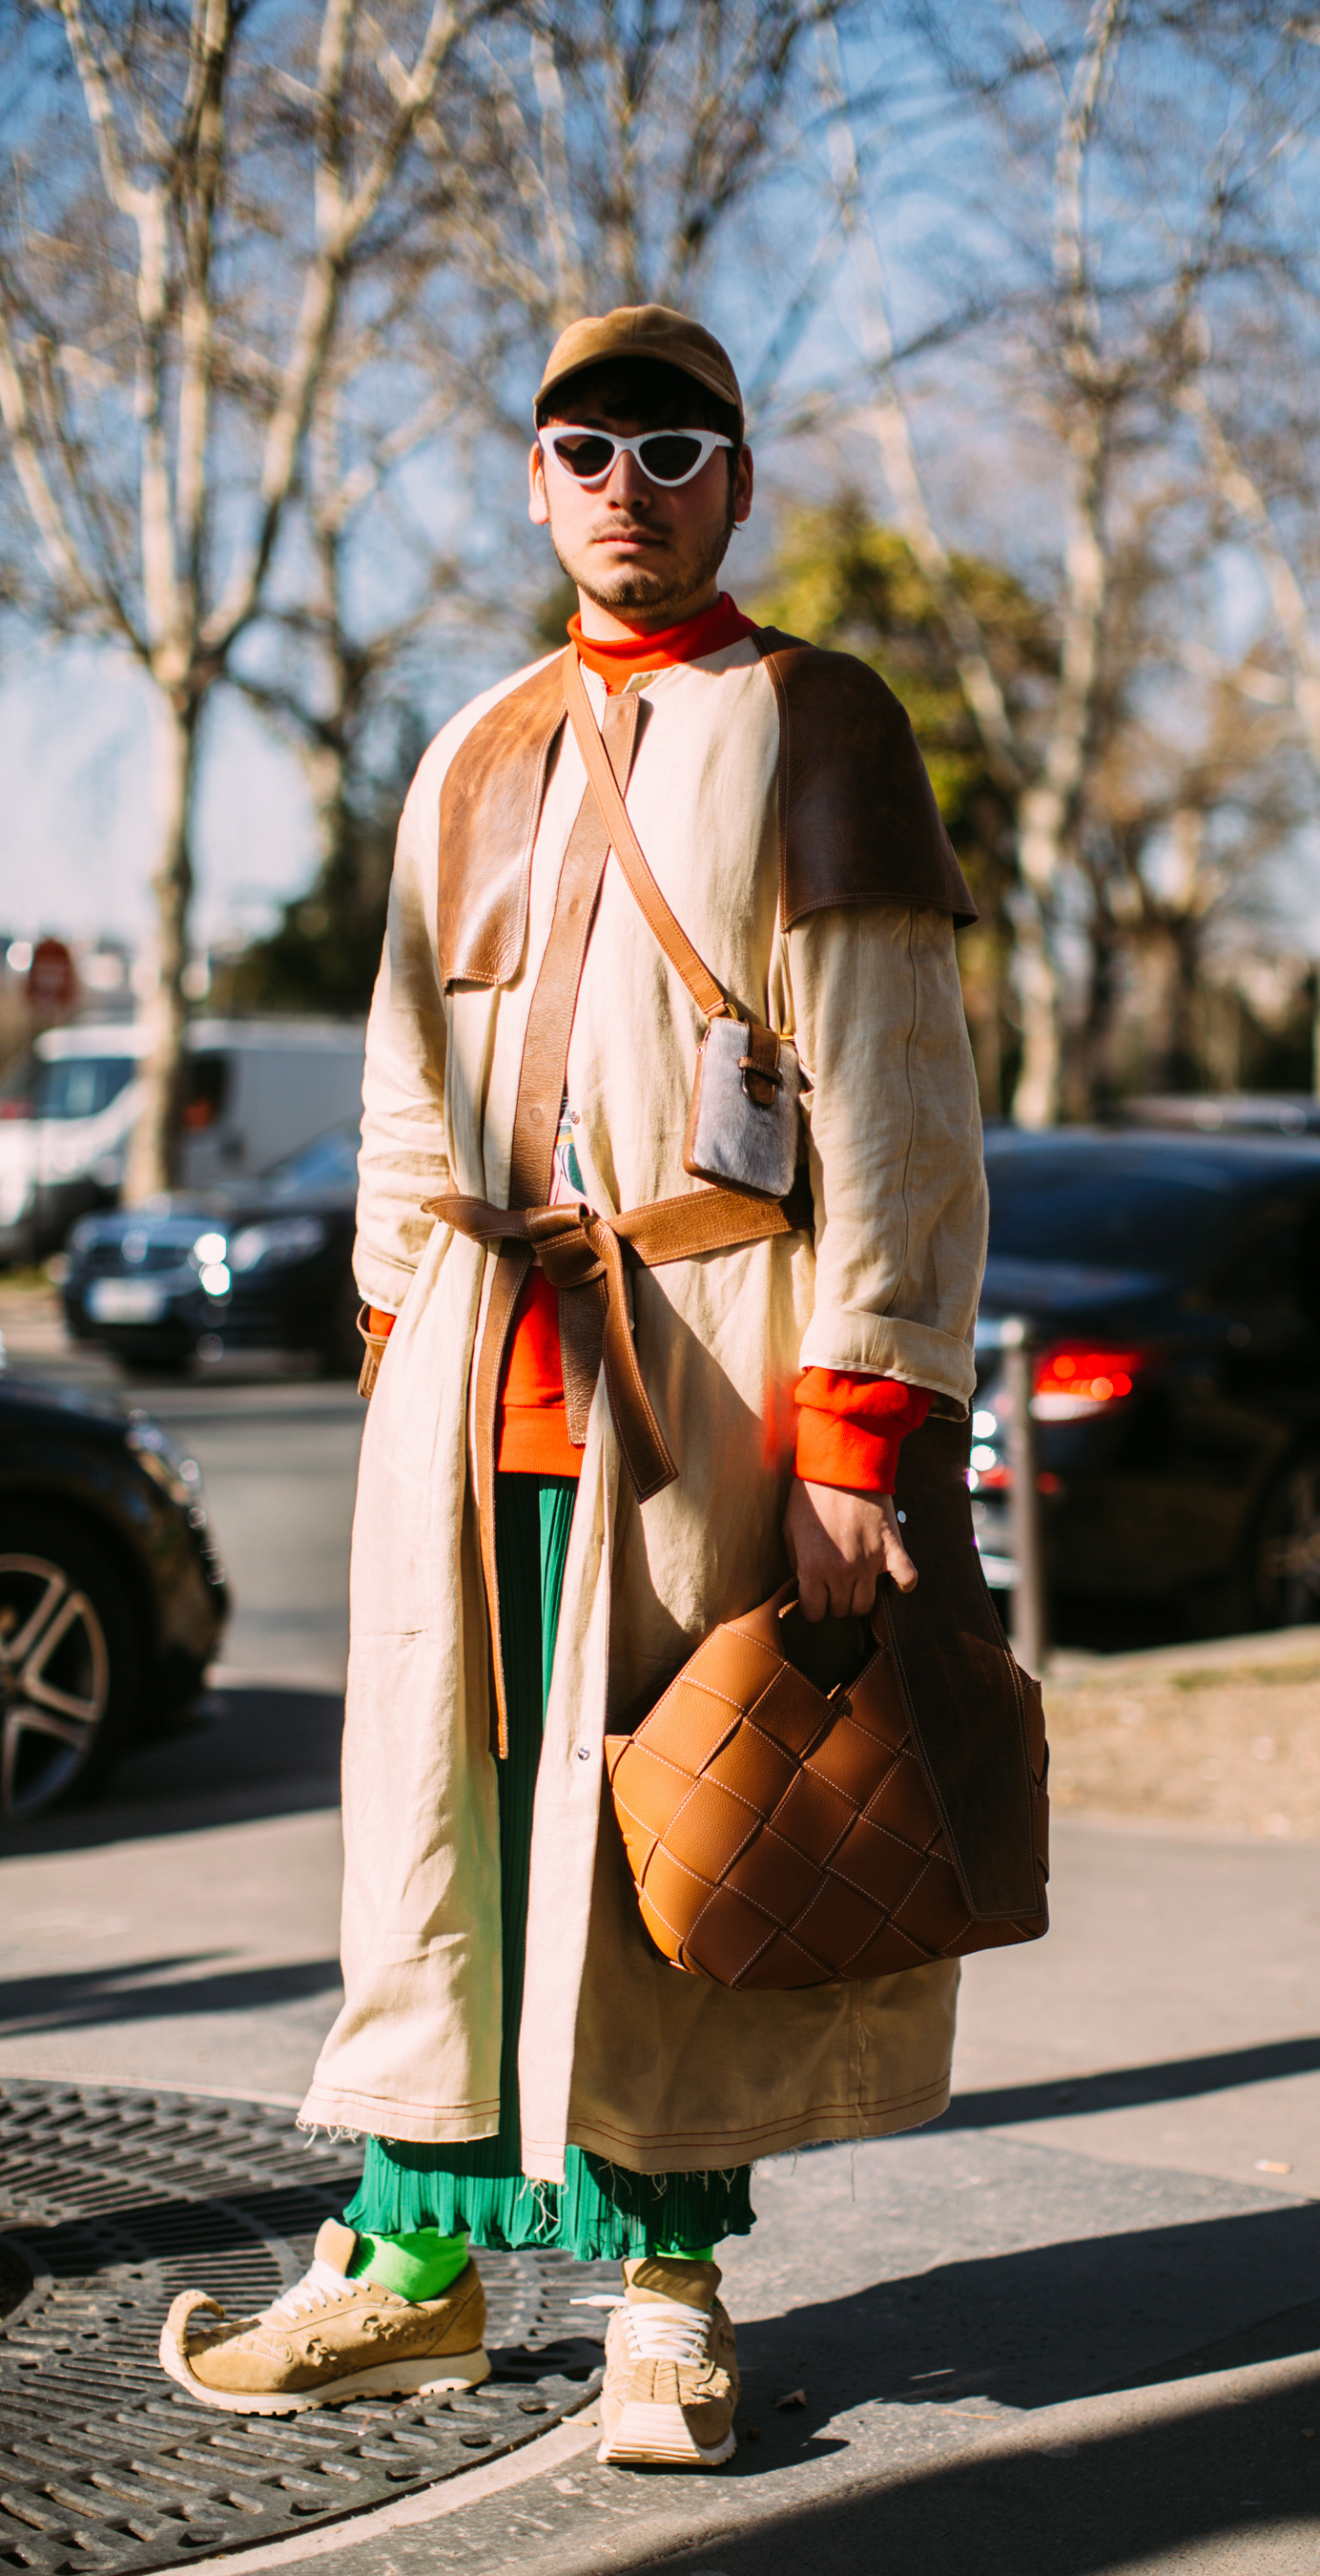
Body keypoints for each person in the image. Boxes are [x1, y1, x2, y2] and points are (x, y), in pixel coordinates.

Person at [157, 305, 990, 2466]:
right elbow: (400, 1092)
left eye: (674, 441)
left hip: (714, 1387)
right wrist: (388, 1337)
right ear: (534, 482)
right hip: (468, 1396)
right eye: (583, 442)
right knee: (443, 1849)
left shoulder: (828, 726)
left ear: (736, 481)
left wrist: (858, 1427)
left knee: (670, 1853)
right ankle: (407, 2270)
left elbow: (901, 1111)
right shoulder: (464, 752)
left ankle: (666, 2295)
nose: (627, 477)